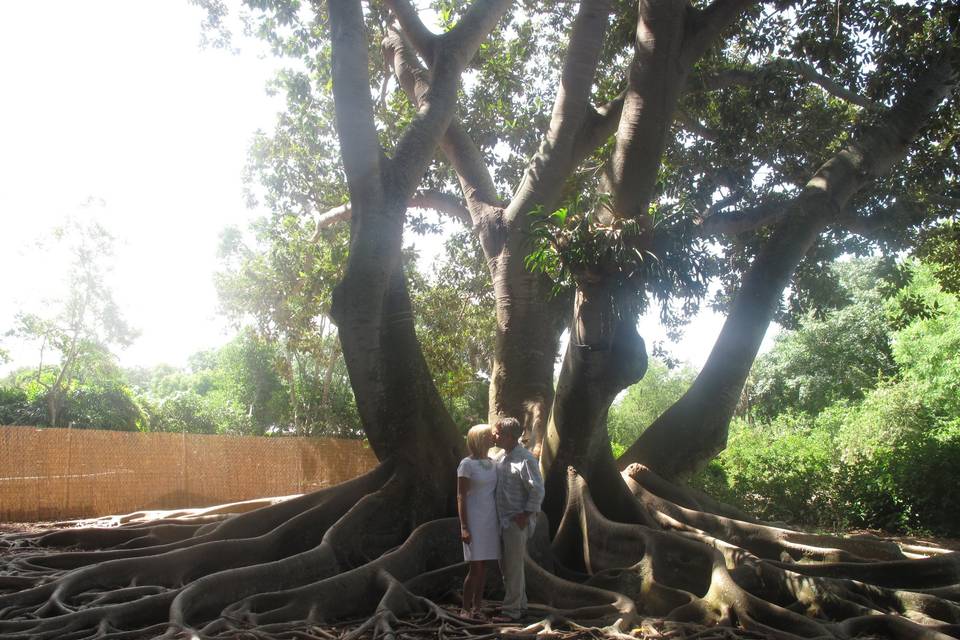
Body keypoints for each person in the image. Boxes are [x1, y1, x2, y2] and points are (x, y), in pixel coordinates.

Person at [491, 416, 544, 622]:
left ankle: (511, 612)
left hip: (516, 522)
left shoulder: (526, 459)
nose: (494, 437)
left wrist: (525, 515)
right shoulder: (501, 457)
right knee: (507, 566)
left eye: (497, 433)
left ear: (510, 436)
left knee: (512, 566)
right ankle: (520, 605)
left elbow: (537, 490)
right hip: (501, 521)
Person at [456, 424, 499, 619]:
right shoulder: (466, 464)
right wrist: (464, 526)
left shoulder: (493, 462)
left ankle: (478, 608)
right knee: (475, 568)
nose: (494, 438)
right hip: (473, 519)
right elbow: (461, 496)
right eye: (491, 435)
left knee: (484, 568)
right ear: (481, 439)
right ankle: (465, 608)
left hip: (490, 519)